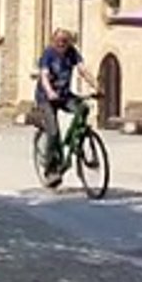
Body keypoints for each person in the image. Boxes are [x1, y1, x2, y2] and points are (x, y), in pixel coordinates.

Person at [36, 29, 99, 186]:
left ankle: (77, 144)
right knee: (53, 132)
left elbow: (83, 70)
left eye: (65, 41)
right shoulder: (48, 54)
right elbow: (44, 76)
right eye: (59, 41)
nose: (62, 44)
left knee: (83, 108)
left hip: (64, 95)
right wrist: (50, 92)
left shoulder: (72, 52)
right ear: (53, 41)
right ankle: (51, 170)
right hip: (46, 98)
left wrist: (97, 87)